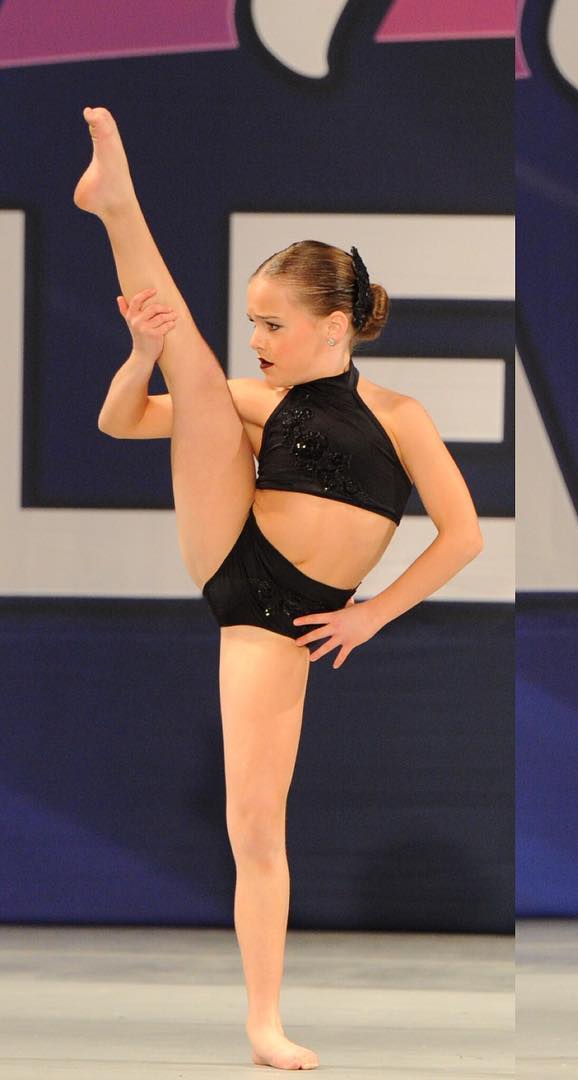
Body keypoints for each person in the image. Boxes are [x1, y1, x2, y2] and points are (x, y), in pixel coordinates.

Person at [76, 106, 483, 1071]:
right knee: (195, 373)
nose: (257, 338)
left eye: (271, 324)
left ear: (334, 325)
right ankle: (117, 205)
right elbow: (120, 422)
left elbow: (462, 535)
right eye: (253, 321)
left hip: (290, 616)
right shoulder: (258, 399)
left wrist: (373, 614)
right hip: (240, 561)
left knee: (258, 824)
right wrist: (140, 354)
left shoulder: (402, 416)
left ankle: (266, 1021)